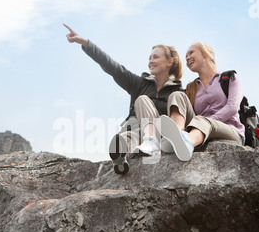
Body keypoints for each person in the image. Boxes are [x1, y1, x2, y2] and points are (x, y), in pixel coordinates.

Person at [64, 24, 184, 174]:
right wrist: (86, 44)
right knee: (131, 133)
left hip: (159, 135)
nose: (151, 61)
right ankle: (121, 154)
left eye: (156, 57)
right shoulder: (138, 84)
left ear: (169, 62)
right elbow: (112, 67)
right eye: (149, 58)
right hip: (137, 131)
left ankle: (141, 145)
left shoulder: (178, 92)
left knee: (143, 104)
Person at [159, 42, 245, 161]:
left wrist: (208, 120)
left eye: (191, 53)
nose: (188, 58)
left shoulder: (229, 78)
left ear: (206, 54)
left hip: (230, 130)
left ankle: (187, 143)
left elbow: (232, 107)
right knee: (177, 95)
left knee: (201, 120)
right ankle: (176, 136)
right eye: (186, 57)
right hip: (201, 129)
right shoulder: (191, 88)